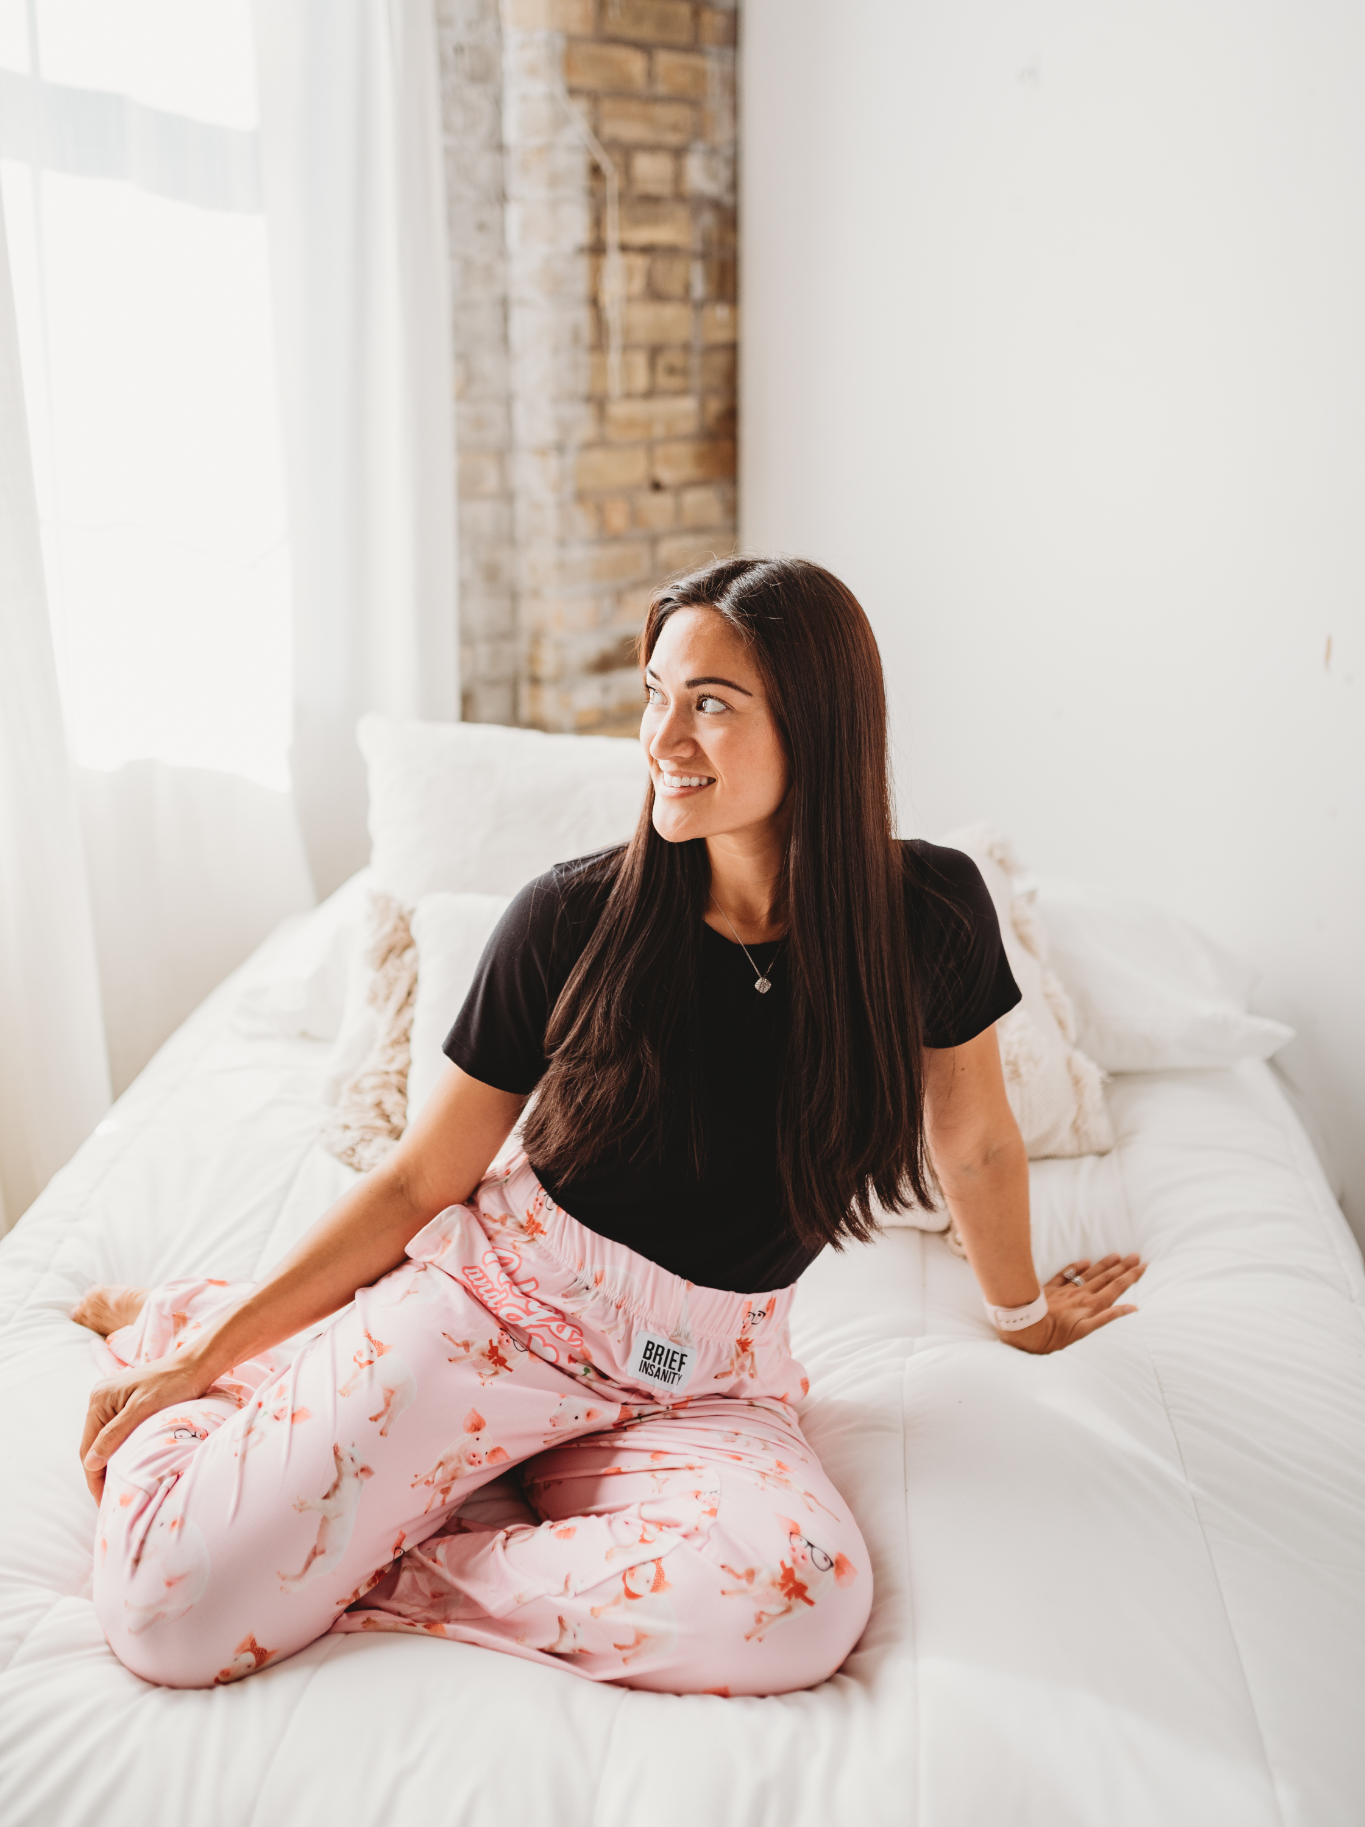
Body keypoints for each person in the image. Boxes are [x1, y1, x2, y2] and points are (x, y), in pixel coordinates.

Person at [73, 556, 1143, 1695]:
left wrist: (1020, 1313)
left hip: (711, 1372)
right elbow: (417, 1179)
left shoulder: (930, 914)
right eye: (655, 693)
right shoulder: (570, 915)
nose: (663, 739)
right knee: (168, 1612)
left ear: (820, 728)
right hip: (498, 1311)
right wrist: (200, 1355)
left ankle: (395, 1556)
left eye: (712, 704)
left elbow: (971, 1138)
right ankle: (229, 1353)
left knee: (799, 1605)